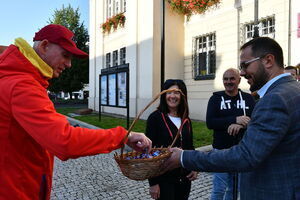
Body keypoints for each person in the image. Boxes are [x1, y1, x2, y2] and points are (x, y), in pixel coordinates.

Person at [0, 24, 152, 200]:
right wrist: (123, 136)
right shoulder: (23, 86)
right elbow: (64, 141)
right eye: (65, 55)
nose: (69, 64)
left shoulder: (17, 78)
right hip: (15, 190)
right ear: (44, 46)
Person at [163, 37, 300, 200]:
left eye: (245, 65)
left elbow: (246, 156)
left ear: (268, 60)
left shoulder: (274, 98)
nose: (242, 72)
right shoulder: (293, 90)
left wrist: (184, 157)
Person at [206, 68, 255, 200]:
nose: (228, 82)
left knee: (235, 189)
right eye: (225, 79)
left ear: (239, 80)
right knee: (219, 189)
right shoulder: (215, 99)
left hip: (241, 150)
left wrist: (240, 125)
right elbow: (210, 122)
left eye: (232, 78)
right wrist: (234, 120)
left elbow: (255, 121)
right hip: (220, 150)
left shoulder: (248, 99)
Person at [145, 79, 198, 200]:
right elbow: (148, 151)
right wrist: (153, 183)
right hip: (164, 179)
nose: (172, 96)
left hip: (184, 178)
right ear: (164, 95)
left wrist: (194, 166)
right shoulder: (155, 118)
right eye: (169, 92)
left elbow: (189, 146)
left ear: (182, 95)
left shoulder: (186, 119)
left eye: (177, 92)